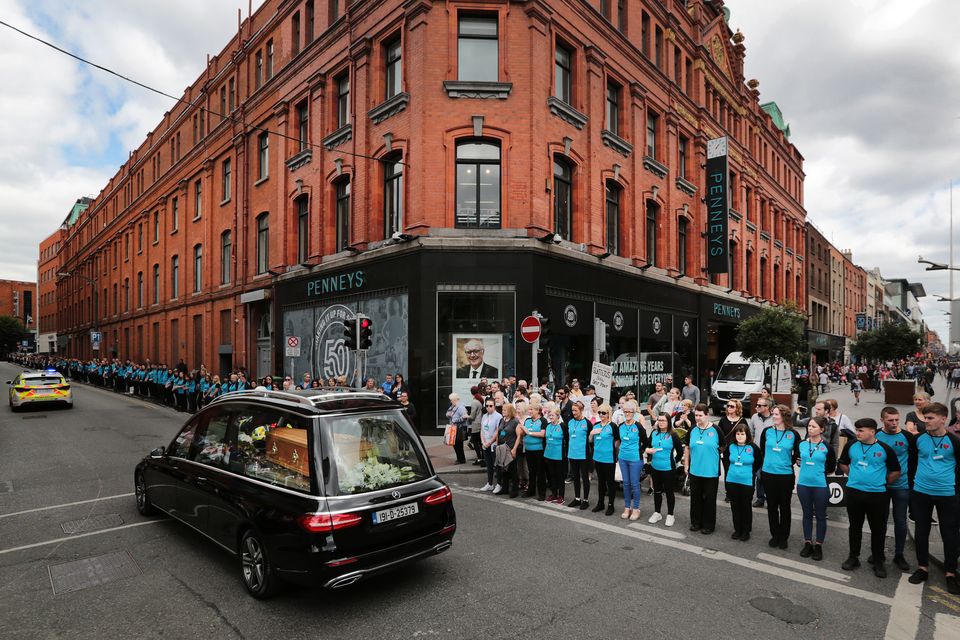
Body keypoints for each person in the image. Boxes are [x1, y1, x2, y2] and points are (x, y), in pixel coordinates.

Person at [838, 418, 901, 578]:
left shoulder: (885, 449)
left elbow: (895, 471)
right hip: (854, 493)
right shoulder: (851, 445)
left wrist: (881, 482)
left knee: (878, 529)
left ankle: (878, 561)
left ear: (872, 432)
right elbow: (843, 463)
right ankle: (853, 557)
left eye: (861, 430)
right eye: (857, 430)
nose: (857, 433)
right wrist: (853, 476)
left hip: (877, 495)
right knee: (855, 526)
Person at [908, 402, 960, 593]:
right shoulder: (918, 439)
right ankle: (922, 568)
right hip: (921, 493)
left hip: (947, 494)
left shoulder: (954, 441)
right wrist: (913, 488)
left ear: (943, 419)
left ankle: (950, 573)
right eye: (925, 418)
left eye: (930, 418)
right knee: (921, 531)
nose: (926, 421)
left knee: (950, 534)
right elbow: (912, 463)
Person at [874, 406, 915, 573]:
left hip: (902, 486)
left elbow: (914, 459)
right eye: (890, 420)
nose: (894, 423)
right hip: (881, 485)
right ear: (882, 419)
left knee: (900, 521)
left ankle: (899, 554)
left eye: (897, 420)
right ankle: (878, 554)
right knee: (880, 521)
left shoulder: (906, 436)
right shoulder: (876, 434)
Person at [759, 404, 802, 549]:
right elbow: (763, 451)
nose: (773, 417)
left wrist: (789, 462)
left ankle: (784, 536)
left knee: (784, 507)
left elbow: (797, 454)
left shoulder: (793, 434)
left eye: (776, 414)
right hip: (768, 474)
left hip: (785, 475)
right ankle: (775, 534)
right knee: (771, 506)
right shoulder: (767, 432)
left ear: (784, 416)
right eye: (773, 414)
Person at [796, 416, 837, 561]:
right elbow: (798, 460)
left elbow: (831, 467)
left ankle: (818, 545)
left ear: (822, 429)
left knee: (820, 515)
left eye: (813, 426)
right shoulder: (801, 444)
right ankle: (808, 543)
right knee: (807, 514)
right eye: (809, 426)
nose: (810, 428)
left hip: (820, 485)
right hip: (803, 484)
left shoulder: (827, 446)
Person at [684, 404, 723, 534]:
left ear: (707, 415)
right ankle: (696, 522)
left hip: (711, 472)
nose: (698, 418)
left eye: (701, 415)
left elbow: (723, 446)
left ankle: (708, 525)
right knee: (695, 498)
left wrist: (715, 456)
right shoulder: (692, 430)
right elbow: (687, 448)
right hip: (695, 470)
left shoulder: (716, 430)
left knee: (710, 499)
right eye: (696, 415)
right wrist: (686, 465)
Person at [722, 424, 762, 541]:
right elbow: (725, 460)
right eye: (738, 434)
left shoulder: (753, 447)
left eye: (742, 434)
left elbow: (758, 461)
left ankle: (746, 530)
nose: (740, 436)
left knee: (745, 506)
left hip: (747, 482)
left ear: (747, 435)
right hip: (732, 480)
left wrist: (750, 471)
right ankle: (737, 529)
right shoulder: (731, 446)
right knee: (735, 506)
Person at [645, 413, 684, 526]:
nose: (661, 422)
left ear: (668, 422)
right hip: (655, 468)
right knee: (657, 491)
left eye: (664, 420)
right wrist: (648, 451)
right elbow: (647, 446)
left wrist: (674, 461)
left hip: (668, 468)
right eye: (659, 420)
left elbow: (680, 452)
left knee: (669, 492)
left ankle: (670, 515)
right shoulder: (653, 433)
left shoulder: (673, 435)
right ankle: (657, 513)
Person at [618, 400, 648, 520]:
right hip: (622, 458)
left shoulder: (638, 426)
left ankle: (636, 508)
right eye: (625, 411)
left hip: (635, 459)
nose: (627, 414)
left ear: (634, 412)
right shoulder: (620, 426)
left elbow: (646, 441)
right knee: (625, 484)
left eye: (630, 411)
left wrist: (640, 451)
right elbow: (617, 440)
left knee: (635, 484)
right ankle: (627, 507)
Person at [589, 403, 619, 516]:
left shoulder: (613, 426)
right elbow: (590, 441)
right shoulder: (596, 425)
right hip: (597, 457)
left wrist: (614, 453)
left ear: (608, 414)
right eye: (599, 412)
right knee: (600, 482)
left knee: (610, 482)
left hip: (609, 458)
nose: (601, 415)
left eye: (604, 413)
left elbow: (617, 441)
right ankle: (600, 503)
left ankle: (611, 505)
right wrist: (591, 434)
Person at [566, 401, 591, 510]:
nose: (573, 412)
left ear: (581, 410)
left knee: (584, 477)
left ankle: (585, 500)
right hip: (572, 453)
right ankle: (577, 498)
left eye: (576, 410)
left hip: (583, 454)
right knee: (575, 477)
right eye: (572, 410)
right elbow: (568, 437)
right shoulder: (570, 422)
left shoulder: (587, 423)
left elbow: (591, 439)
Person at [749, 398, 774, 507]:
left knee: (767, 477)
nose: (757, 407)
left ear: (767, 407)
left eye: (760, 405)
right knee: (757, 476)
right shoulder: (754, 417)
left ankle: (770, 498)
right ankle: (760, 498)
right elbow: (750, 433)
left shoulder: (774, 418)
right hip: (756, 451)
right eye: (757, 405)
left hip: (770, 453)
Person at [520, 402, 547, 500]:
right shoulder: (527, 420)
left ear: (538, 410)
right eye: (529, 409)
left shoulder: (543, 421)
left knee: (540, 472)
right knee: (531, 471)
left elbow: (542, 434)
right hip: (528, 449)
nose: (529, 411)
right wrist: (522, 431)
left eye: (532, 409)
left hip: (538, 450)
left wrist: (529, 432)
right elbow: (523, 433)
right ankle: (531, 491)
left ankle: (542, 493)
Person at [494, 403, 520, 498]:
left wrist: (514, 449)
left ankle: (515, 489)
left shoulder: (515, 421)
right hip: (501, 447)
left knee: (513, 469)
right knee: (503, 469)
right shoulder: (502, 420)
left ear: (510, 411)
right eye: (503, 410)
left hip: (510, 448)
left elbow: (518, 437)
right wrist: (497, 445)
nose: (503, 411)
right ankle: (505, 488)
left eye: (505, 410)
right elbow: (498, 432)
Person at [542, 402, 567, 504]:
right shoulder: (547, 426)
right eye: (549, 415)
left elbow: (567, 439)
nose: (550, 417)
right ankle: (554, 494)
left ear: (558, 416)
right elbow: (545, 440)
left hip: (559, 455)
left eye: (552, 415)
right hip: (549, 454)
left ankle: (561, 496)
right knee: (551, 475)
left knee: (559, 475)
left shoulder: (562, 426)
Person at [445, 392, 468, 464]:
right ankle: (460, 458)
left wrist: (456, 420)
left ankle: (461, 459)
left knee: (458, 445)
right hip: (453, 428)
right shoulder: (452, 406)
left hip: (459, 428)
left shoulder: (461, 407)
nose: (450, 401)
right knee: (455, 444)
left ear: (455, 399)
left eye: (451, 400)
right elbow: (447, 414)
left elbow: (465, 417)